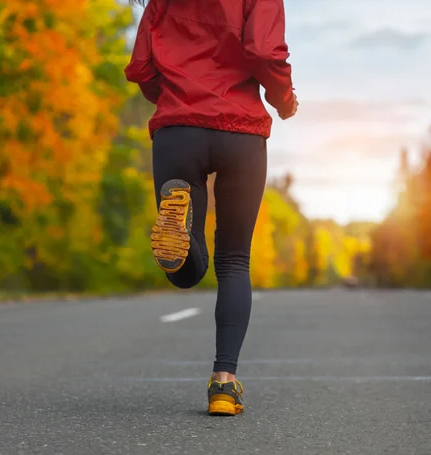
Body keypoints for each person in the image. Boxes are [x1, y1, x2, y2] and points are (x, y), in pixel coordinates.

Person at [125, 0, 298, 416]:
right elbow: (264, 52)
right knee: (234, 261)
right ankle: (224, 384)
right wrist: (284, 99)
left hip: (178, 129)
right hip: (241, 132)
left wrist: (172, 95)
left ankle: (177, 232)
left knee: (188, 272)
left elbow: (142, 66)